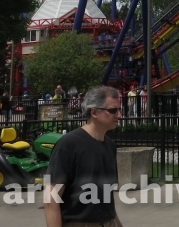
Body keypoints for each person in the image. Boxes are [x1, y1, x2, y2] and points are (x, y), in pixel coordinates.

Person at [44, 85, 124, 227]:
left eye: (119, 109)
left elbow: (106, 197)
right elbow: (51, 199)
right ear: (94, 112)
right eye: (113, 110)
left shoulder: (110, 146)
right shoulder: (69, 144)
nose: (119, 115)